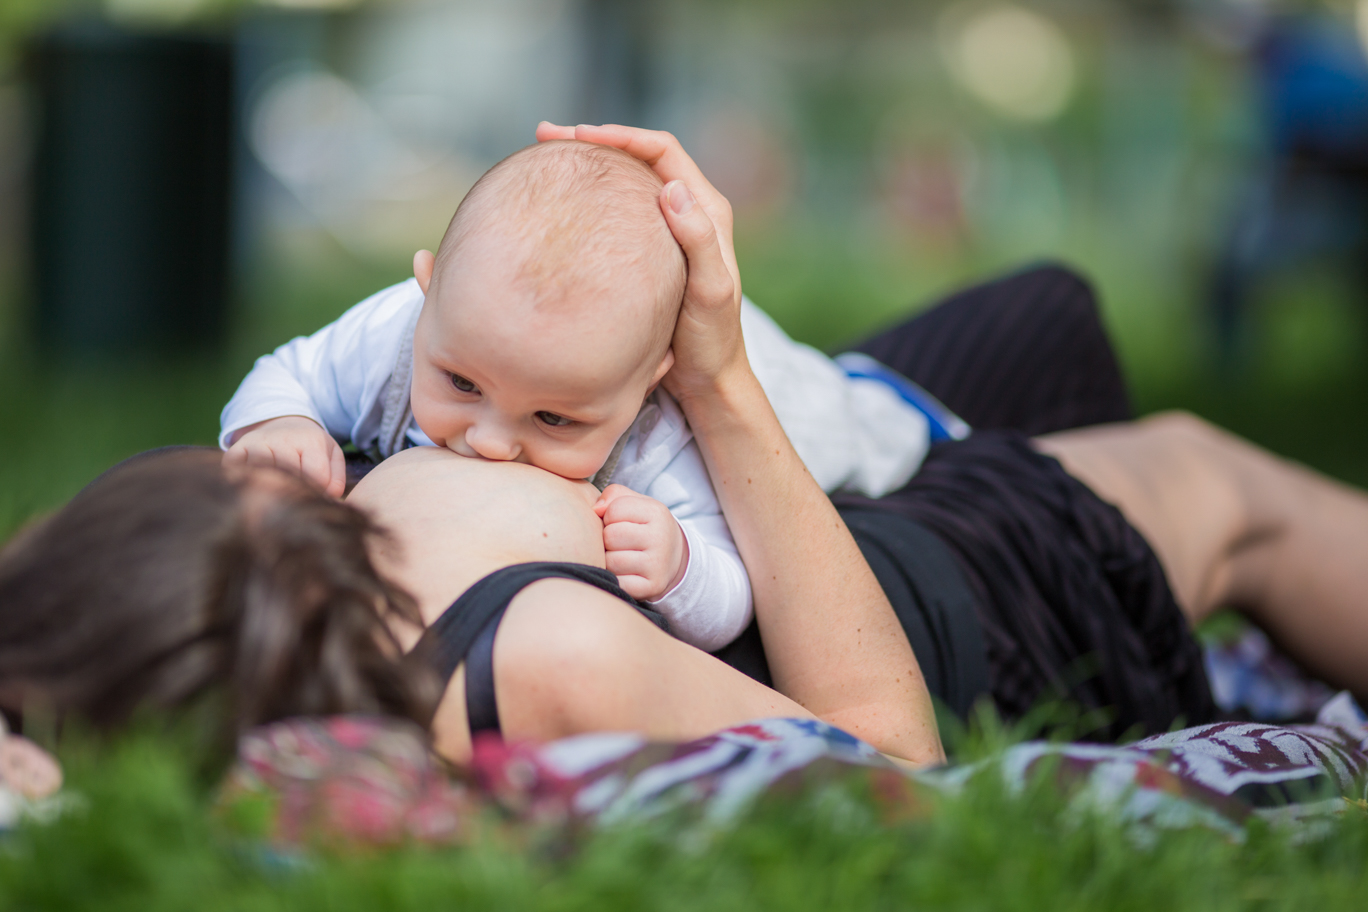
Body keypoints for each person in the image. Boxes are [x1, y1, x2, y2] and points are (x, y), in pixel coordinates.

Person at [8, 125, 1368, 768]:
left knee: (1045, 318)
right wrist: (711, 380)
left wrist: (283, 436)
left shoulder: (198, 562)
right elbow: (889, 759)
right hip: (909, 592)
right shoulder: (532, 651)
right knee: (1211, 477)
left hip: (791, 444)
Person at [220, 140, 942, 654]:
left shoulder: (660, 443)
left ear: (649, 382)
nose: (492, 441)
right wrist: (278, 418)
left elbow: (735, 594)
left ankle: (904, 406)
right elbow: (286, 369)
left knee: (863, 430)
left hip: (799, 395)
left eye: (554, 418)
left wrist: (681, 565)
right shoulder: (396, 335)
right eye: (462, 384)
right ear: (428, 286)